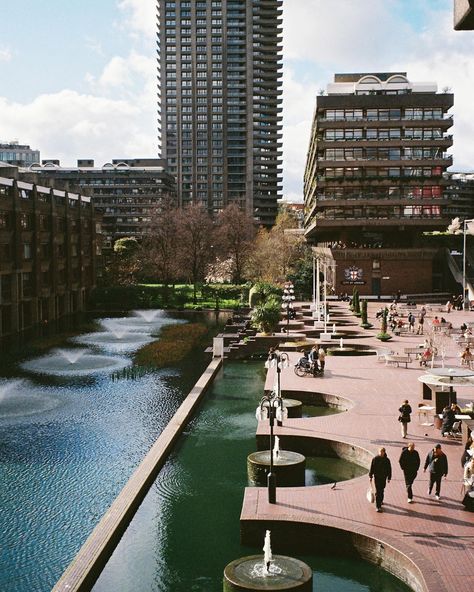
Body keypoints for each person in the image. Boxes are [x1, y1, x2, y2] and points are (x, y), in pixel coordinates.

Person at [369, 447, 392, 512]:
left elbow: (389, 469)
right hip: (377, 477)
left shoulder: (387, 460)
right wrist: (370, 476)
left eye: (382, 452)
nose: (381, 453)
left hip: (383, 477)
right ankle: (378, 506)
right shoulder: (375, 459)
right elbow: (372, 468)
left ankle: (381, 501)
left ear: (384, 452)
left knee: (381, 490)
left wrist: (389, 477)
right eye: (380, 452)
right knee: (378, 492)